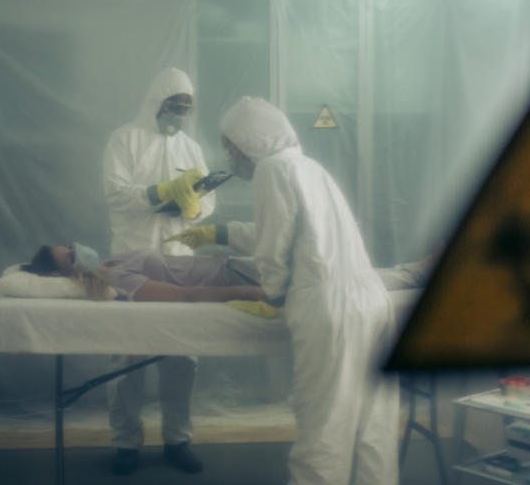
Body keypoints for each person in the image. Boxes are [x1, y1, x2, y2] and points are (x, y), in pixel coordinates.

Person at [168, 96, 400, 485]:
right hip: (373, 300)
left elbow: (274, 245)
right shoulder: (309, 167)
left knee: (324, 423)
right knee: (373, 424)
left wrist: (272, 296)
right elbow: (295, 232)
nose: (229, 154)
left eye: (231, 145)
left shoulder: (272, 170)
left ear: (253, 140)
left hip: (329, 307)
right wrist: (221, 232)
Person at [100, 67, 213, 475]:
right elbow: (114, 191)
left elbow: (207, 200)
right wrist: (158, 193)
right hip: (132, 260)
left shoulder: (191, 148)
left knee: (182, 357)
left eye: (185, 107)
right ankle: (125, 444)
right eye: (173, 105)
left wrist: (194, 206)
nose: (179, 113)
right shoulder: (124, 139)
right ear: (156, 103)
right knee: (126, 356)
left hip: (179, 262)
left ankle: (177, 440)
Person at [21, 243, 265, 303]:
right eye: (72, 257)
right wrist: (247, 292)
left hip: (232, 264)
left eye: (72, 247)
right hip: (234, 276)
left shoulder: (112, 262)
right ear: (64, 274)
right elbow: (184, 295)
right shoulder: (117, 279)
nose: (79, 250)